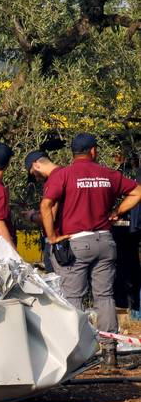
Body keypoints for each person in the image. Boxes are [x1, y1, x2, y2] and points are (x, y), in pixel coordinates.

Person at [40, 133, 141, 369]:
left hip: (76, 242)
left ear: (73, 153)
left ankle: (77, 354)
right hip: (105, 241)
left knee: (73, 297)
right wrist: (117, 212)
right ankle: (109, 354)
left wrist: (52, 236)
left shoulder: (63, 174)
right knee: (104, 296)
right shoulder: (108, 174)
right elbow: (137, 192)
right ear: (93, 151)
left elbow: (46, 204)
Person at [23, 150, 62, 271]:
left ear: (36, 165)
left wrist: (31, 216)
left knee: (57, 285)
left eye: (33, 173)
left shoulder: (54, 179)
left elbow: (51, 215)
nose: (36, 178)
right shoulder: (66, 174)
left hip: (58, 242)